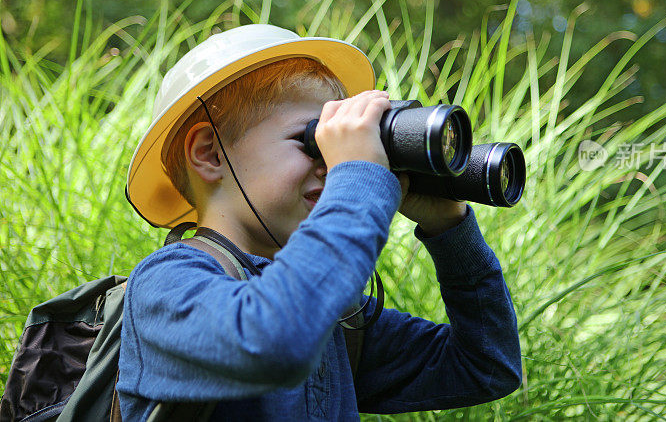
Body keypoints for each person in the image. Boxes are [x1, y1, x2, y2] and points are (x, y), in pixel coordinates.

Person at [118, 24, 522, 420]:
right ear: (210, 153)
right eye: (312, 141)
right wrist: (360, 175)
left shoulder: (333, 319)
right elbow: (275, 339)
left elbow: (486, 367)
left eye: (336, 147)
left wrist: (449, 230)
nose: (332, 166)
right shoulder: (165, 284)